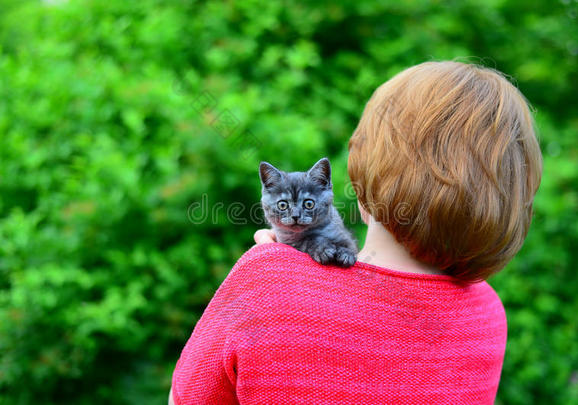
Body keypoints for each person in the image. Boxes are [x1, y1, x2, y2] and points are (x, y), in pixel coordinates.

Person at [169, 61, 543, 404]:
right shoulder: (486, 314)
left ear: (361, 184)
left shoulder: (268, 280)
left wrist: (274, 273)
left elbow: (184, 398)